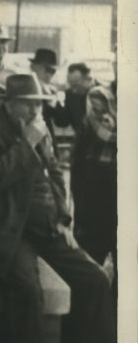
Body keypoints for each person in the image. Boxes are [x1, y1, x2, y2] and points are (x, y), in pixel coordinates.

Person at [0, 74, 117, 343]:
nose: (34, 110)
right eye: (28, 104)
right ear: (9, 103)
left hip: (48, 225)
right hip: (9, 228)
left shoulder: (39, 126)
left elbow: (55, 175)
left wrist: (64, 219)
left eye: (38, 104)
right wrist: (26, 144)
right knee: (26, 290)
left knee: (94, 278)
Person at [70, 85, 117, 309]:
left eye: (101, 109)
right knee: (88, 267)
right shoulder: (86, 130)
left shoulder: (115, 133)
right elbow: (77, 173)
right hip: (88, 212)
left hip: (113, 210)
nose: (97, 115)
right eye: (93, 109)